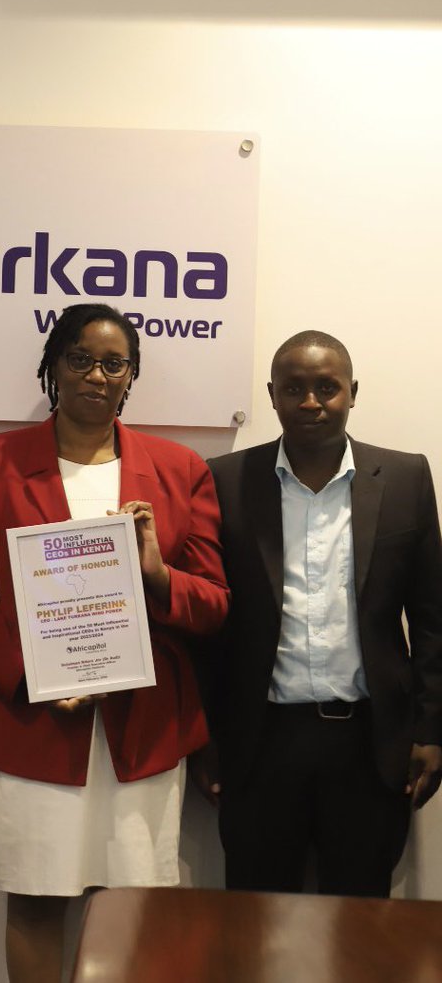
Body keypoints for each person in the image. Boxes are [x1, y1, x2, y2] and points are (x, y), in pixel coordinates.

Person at [0, 302, 228, 983]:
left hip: (143, 728)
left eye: (113, 362)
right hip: (33, 722)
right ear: (54, 366)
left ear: (131, 375)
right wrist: (32, 673)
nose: (96, 375)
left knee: (129, 909)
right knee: (37, 902)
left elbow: (213, 604)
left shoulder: (180, 469)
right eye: (80, 358)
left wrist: (157, 574)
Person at [200, 330, 442, 896]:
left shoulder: (406, 478)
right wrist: (206, 737)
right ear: (272, 394)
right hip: (260, 743)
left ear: (352, 392)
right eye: (294, 388)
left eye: (326, 388)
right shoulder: (224, 480)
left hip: (370, 743)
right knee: (258, 923)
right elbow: (211, 627)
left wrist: (431, 728)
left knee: (360, 924)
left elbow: (432, 617)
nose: (311, 402)